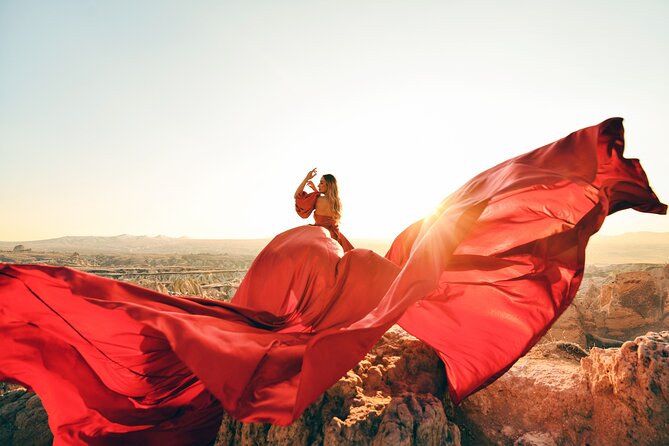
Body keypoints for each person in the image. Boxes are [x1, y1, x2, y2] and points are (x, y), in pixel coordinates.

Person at [0, 118, 665, 445]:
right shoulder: (315, 213)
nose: (326, 196)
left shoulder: (331, 218)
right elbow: (305, 215)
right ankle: (289, 330)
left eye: (328, 194)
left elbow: (326, 227)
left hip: (326, 263)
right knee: (255, 323)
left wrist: (334, 234)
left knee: (378, 276)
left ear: (334, 200)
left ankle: (297, 329)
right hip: (310, 263)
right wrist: (307, 194)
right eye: (324, 193)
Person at [293, 168, 354, 252]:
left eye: (321, 183)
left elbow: (297, 195)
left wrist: (307, 178)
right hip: (335, 236)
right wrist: (316, 191)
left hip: (319, 234)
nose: (318, 185)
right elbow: (326, 201)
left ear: (328, 185)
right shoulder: (337, 202)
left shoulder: (318, 199)